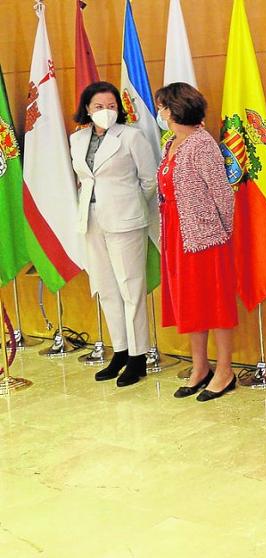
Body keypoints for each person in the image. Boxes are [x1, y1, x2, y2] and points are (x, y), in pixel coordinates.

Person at [153, 82, 239, 403]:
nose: (159, 112)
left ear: (175, 108)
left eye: (162, 106)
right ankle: (199, 367)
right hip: (177, 234)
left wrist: (221, 234)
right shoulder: (170, 142)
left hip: (207, 238)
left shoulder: (202, 144)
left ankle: (225, 370)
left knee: (214, 304)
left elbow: (222, 195)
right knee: (191, 302)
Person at [69, 81, 157, 387]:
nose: (105, 112)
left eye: (111, 106)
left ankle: (138, 357)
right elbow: (83, 178)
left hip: (126, 220)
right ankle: (119, 350)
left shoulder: (131, 136)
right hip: (91, 220)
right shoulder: (77, 139)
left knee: (130, 288)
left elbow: (149, 180)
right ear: (87, 109)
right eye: (98, 106)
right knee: (105, 287)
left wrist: (128, 205)